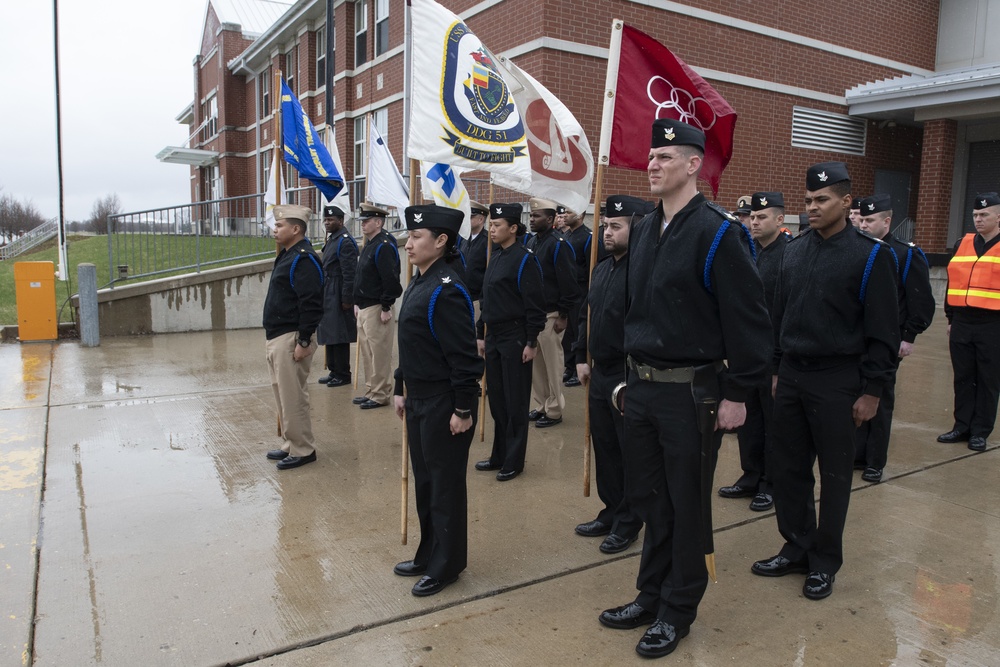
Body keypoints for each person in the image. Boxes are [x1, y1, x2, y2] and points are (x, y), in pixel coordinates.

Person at [598, 120, 771, 659]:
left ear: (695, 164)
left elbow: (748, 319)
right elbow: (635, 312)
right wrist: (625, 376)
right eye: (651, 157)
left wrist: (739, 393)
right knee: (649, 499)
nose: (652, 164)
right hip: (643, 389)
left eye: (666, 156)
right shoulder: (647, 228)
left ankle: (677, 609)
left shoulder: (718, 232)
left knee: (686, 503)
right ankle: (650, 595)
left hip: (691, 395)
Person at [752, 162, 899, 602]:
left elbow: (883, 332)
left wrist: (873, 390)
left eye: (822, 200)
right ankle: (796, 546)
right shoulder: (794, 252)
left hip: (839, 379)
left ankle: (824, 561)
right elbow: (779, 318)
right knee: (788, 469)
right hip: (793, 375)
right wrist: (778, 370)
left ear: (846, 201)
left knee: (834, 476)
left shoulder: (872, 256)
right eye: (808, 200)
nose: (812, 207)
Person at [392, 204, 484, 597]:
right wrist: (400, 385)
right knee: (426, 483)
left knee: (445, 487)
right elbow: (411, 341)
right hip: (419, 397)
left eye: (416, 237)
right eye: (409, 237)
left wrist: (464, 409)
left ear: (441, 241)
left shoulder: (447, 289)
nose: (408, 243)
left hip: (445, 403)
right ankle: (429, 551)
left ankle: (447, 564)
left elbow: (465, 359)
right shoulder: (419, 280)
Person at [573, 194, 646, 554]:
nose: (607, 232)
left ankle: (630, 520)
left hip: (627, 374)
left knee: (628, 450)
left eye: (616, 226)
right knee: (604, 446)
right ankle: (611, 509)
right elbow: (588, 314)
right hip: (599, 372)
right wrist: (580, 355)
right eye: (605, 225)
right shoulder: (601, 268)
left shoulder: (643, 271)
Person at [718, 191, 791, 511]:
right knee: (749, 421)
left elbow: (786, 311)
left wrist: (778, 362)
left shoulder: (789, 255)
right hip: (747, 355)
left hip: (775, 356)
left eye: (762, 217)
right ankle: (751, 475)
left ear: (779, 220)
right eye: (751, 217)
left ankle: (772, 483)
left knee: (775, 423)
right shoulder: (748, 252)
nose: (754, 222)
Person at [856, 194, 935, 479]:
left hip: (889, 339)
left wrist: (909, 335)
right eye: (861, 219)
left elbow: (920, 300)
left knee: (879, 395)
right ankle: (857, 453)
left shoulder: (904, 253)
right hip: (857, 337)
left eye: (870, 220)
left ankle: (875, 460)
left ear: (887, 221)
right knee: (857, 393)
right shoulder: (858, 249)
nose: (863, 225)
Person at [474, 203, 546, 481]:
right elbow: (487, 298)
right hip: (493, 337)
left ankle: (514, 461)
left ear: (513, 228)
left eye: (497, 225)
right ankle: (499, 454)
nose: (492, 230)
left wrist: (531, 341)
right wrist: (481, 334)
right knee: (498, 402)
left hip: (515, 338)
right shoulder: (497, 256)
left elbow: (534, 305)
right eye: (491, 225)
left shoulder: (525, 259)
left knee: (515, 402)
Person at [263, 204, 325, 470]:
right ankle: (290, 442)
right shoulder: (288, 255)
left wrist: (303, 341)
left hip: (291, 337)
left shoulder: (304, 259)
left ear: (296, 229)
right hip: (278, 335)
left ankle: (303, 449)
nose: (274, 230)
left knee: (293, 397)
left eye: (279, 226)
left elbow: (311, 302)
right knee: (282, 395)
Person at [938, 192, 1000, 452]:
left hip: (992, 323)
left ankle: (980, 431)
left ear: (998, 216)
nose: (978, 219)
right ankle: (961, 426)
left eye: (984, 215)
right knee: (963, 377)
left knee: (988, 379)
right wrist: (951, 318)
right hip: (962, 321)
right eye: (975, 215)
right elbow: (954, 282)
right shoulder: (962, 243)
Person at [526, 197, 580, 428]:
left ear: (550, 219)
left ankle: (555, 410)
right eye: (530, 215)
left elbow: (569, 282)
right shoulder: (533, 241)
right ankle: (542, 404)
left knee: (553, 365)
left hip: (551, 314)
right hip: (535, 314)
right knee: (537, 366)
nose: (531, 219)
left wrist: (564, 315)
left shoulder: (559, 244)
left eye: (536, 216)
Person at [353, 203, 403, 410]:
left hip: (376, 307)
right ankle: (372, 390)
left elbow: (390, 279)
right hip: (364, 306)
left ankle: (381, 393)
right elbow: (363, 276)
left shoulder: (383, 245)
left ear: (379, 222)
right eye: (362, 221)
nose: (363, 225)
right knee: (368, 352)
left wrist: (386, 307)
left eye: (367, 221)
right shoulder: (371, 243)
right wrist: (357, 302)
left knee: (379, 353)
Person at [316, 205, 358, 387]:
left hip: (338, 290)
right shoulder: (333, 239)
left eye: (331, 220)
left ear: (341, 221)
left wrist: (347, 298)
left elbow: (349, 273)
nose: (327, 223)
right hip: (328, 290)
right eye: (326, 220)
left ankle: (343, 373)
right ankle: (333, 370)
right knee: (329, 332)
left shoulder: (345, 241)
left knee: (339, 333)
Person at [561, 205, 591, 388]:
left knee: (578, 331)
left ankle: (576, 367)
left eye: (569, 213)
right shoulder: (566, 236)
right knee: (568, 332)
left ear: (580, 215)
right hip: (568, 292)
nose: (565, 216)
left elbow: (590, 268)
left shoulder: (587, 237)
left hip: (581, 292)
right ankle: (569, 366)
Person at [455, 201, 489, 318]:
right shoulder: (463, 239)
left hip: (477, 299)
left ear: (481, 219)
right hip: (463, 296)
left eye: (471, 217)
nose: (467, 220)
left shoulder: (488, 241)